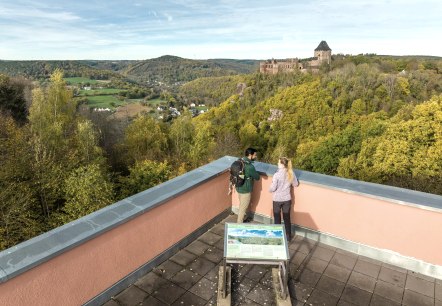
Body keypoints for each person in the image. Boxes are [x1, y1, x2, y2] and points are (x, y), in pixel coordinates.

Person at [269, 157, 299, 240]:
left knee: (277, 218)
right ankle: (288, 236)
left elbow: (273, 188)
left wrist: (269, 188)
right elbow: (295, 184)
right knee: (287, 218)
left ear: (282, 164)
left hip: (277, 200)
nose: (277, 164)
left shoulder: (276, 174)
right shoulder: (291, 173)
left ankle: (278, 236)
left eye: (278, 163)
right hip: (287, 199)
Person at [236, 148, 260, 223]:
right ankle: (238, 225)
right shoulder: (250, 166)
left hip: (239, 187)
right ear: (250, 155)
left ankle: (242, 220)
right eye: (255, 155)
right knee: (242, 209)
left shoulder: (240, 161)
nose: (255, 157)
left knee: (242, 206)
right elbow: (257, 177)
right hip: (246, 190)